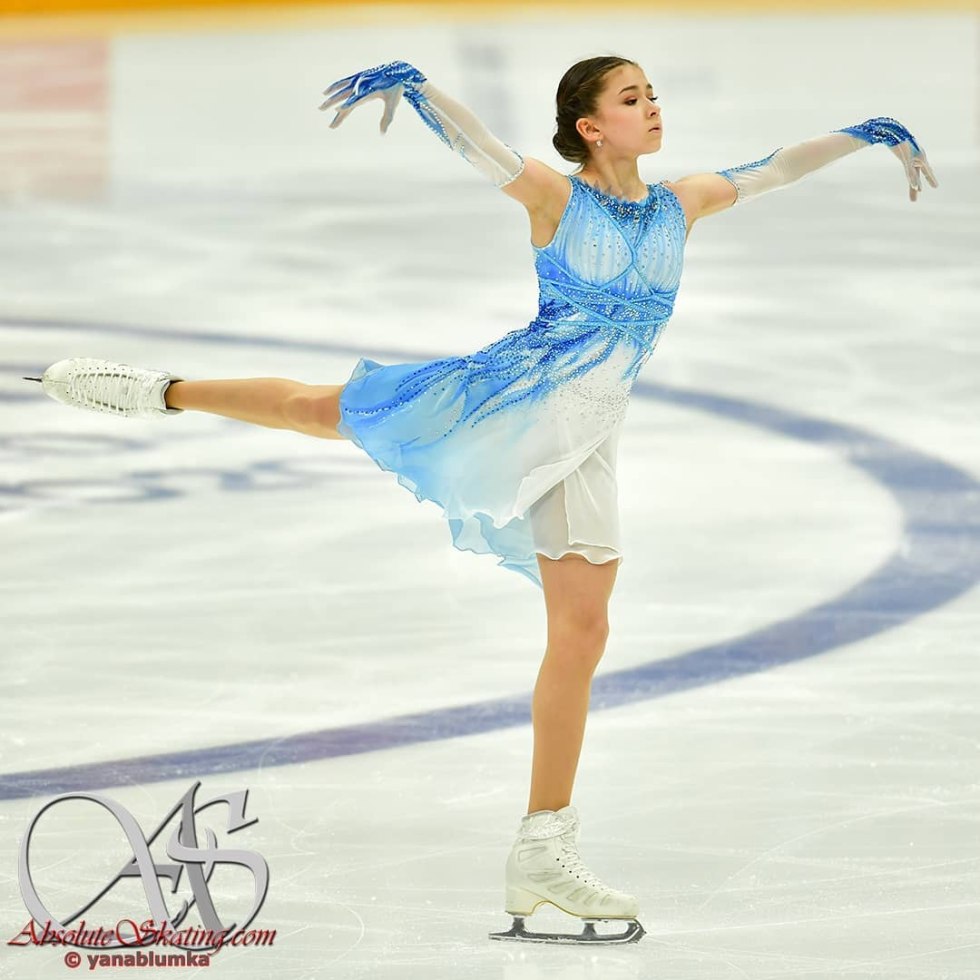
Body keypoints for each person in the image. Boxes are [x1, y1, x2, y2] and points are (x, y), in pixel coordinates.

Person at [28, 56, 937, 945]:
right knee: (322, 410)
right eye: (632, 97)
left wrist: (863, 134)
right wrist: (421, 91)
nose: (653, 107)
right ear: (591, 125)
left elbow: (773, 169)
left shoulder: (682, 203)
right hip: (503, 398)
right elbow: (487, 152)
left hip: (586, 437)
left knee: (582, 634)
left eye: (653, 94)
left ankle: (543, 847)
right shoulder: (557, 198)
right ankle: (155, 390)